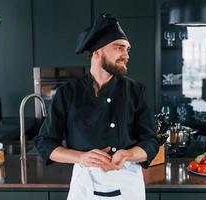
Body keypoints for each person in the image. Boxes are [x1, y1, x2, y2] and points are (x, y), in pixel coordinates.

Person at [35, 13, 159, 200]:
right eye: (119, 48)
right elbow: (45, 143)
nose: (125, 55)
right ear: (97, 52)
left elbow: (151, 142)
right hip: (85, 183)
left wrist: (127, 155)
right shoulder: (68, 93)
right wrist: (80, 157)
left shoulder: (135, 91)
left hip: (127, 183)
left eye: (127, 50)